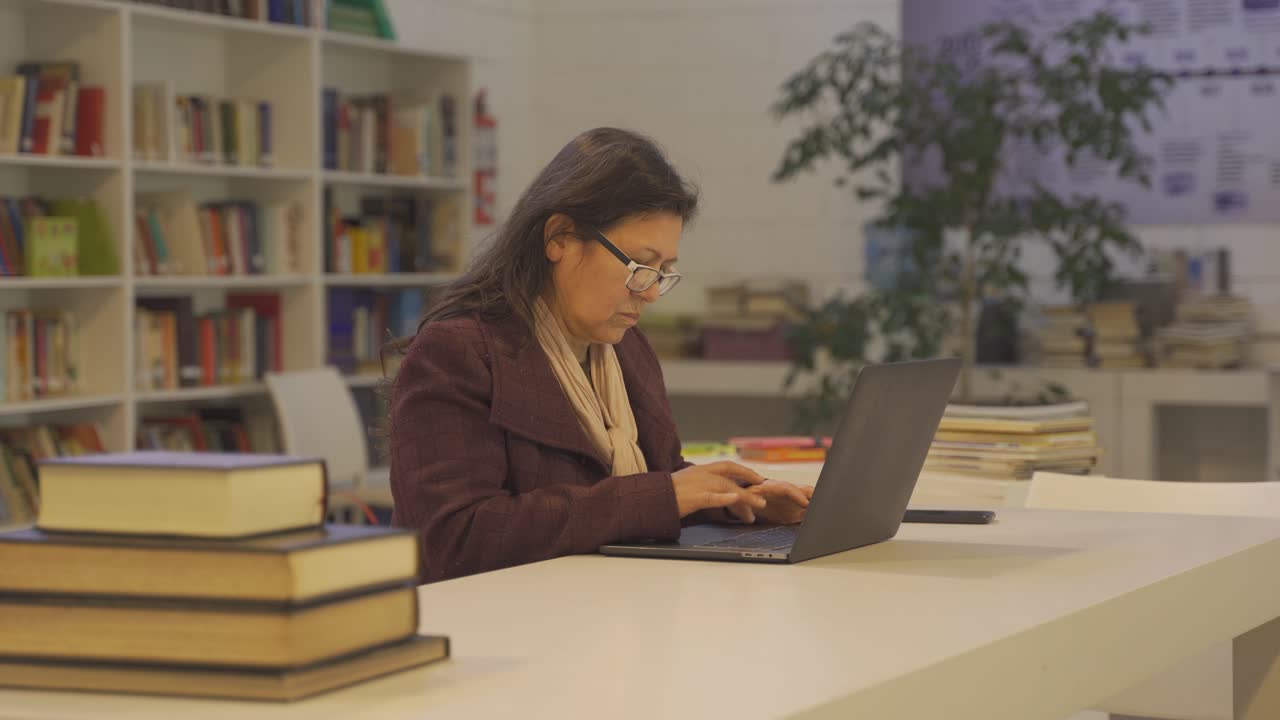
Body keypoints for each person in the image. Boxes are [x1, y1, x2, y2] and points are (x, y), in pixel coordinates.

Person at [388, 127, 814, 583]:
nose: (651, 293)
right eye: (639, 266)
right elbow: (454, 539)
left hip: (604, 607)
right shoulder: (459, 353)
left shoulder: (625, 349)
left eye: (664, 272)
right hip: (504, 628)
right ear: (560, 237)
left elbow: (655, 485)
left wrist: (736, 503)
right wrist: (664, 496)